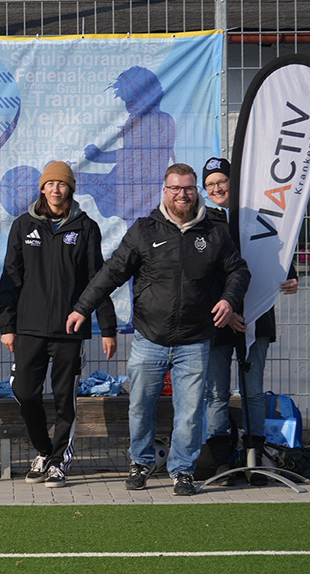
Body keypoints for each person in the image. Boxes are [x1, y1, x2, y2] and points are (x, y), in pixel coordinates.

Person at [66, 163, 250, 496]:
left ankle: (182, 471)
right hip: (149, 337)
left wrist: (229, 300)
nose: (183, 194)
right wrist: (82, 307)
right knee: (140, 406)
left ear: (196, 191)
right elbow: (112, 272)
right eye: (176, 188)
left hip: (195, 339)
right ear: (164, 191)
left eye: (188, 188)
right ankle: (140, 462)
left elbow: (239, 271)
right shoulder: (144, 230)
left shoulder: (214, 232)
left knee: (190, 412)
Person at [0, 161, 117, 489]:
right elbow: (10, 278)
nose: (55, 189)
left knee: (65, 398)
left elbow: (98, 279)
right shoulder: (23, 226)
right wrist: (7, 325)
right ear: (42, 188)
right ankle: (43, 450)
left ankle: (58, 461)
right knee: (25, 393)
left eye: (62, 184)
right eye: (50, 183)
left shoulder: (86, 227)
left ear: (71, 189)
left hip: (69, 330)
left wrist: (107, 328)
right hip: (29, 328)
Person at [201, 157, 298, 484]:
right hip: (218, 320)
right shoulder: (202, 223)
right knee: (216, 393)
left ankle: (255, 459)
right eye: (210, 184)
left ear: (235, 182)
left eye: (221, 181)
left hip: (257, 318)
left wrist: (291, 276)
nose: (216, 188)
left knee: (253, 392)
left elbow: (277, 254)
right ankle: (221, 461)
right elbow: (203, 276)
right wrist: (227, 312)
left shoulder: (258, 217)